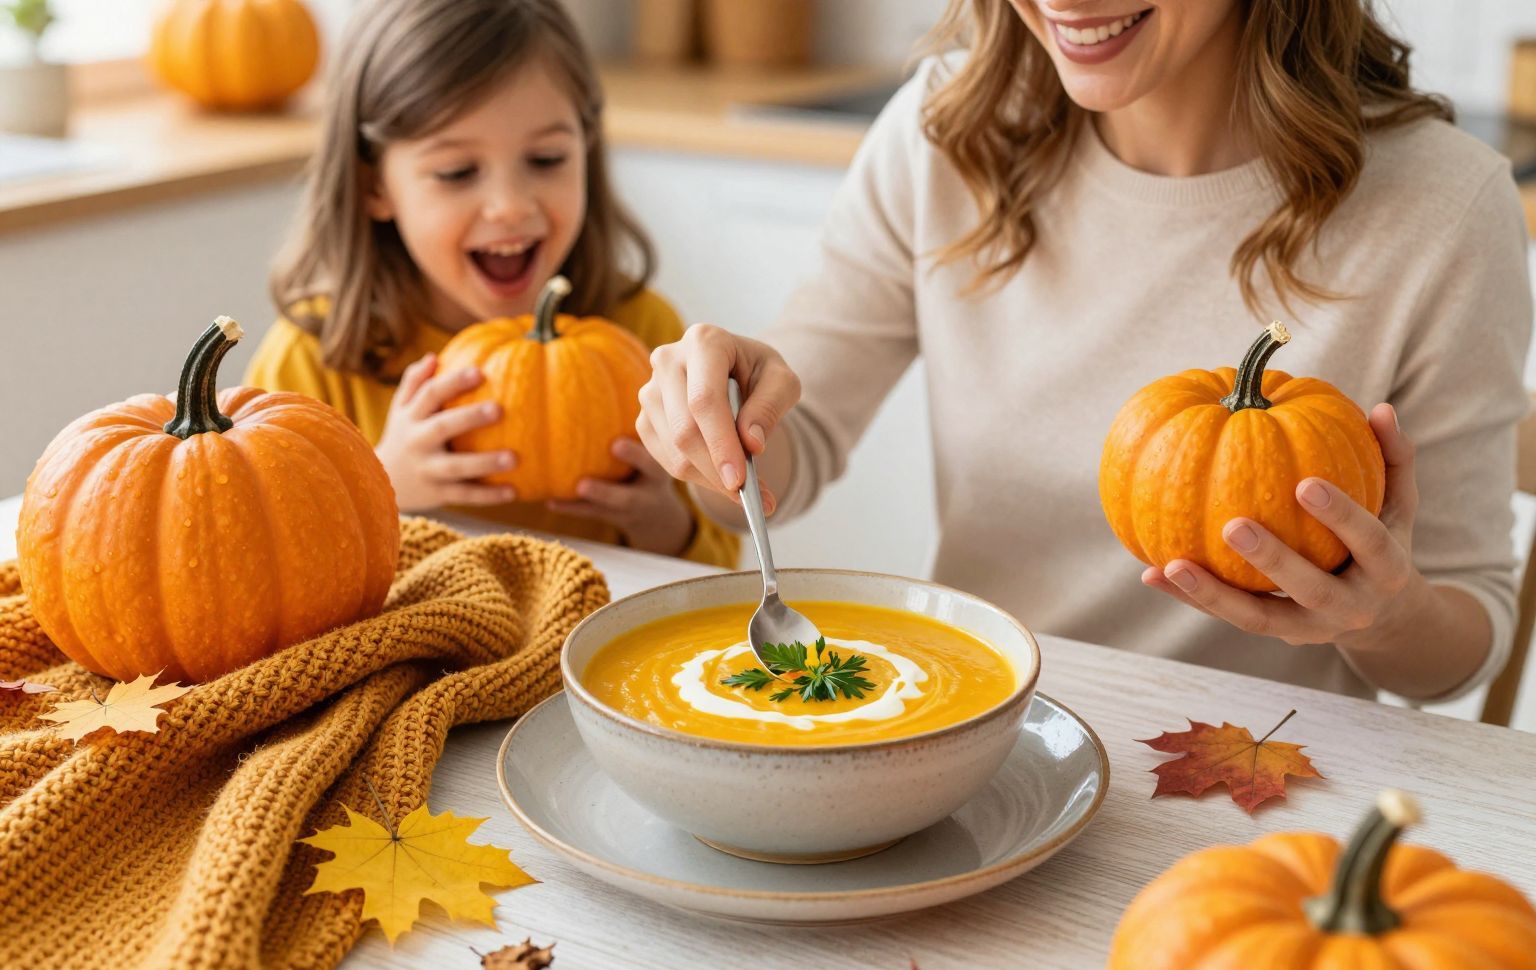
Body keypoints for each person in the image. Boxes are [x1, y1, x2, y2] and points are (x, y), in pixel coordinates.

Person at [636, 0, 1533, 701]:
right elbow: (791, 448)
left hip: (1254, 784)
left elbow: (1459, 647)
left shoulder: (1442, 206)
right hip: (979, 730)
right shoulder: (943, 133)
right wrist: (723, 417)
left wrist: (1383, 617)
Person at [245, 0, 738, 567]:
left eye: (547, 159)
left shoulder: (644, 334)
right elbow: (268, 568)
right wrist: (383, 488)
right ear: (374, 186)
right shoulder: (313, 356)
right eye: (457, 172)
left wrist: (656, 519)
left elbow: (719, 575)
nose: (509, 207)